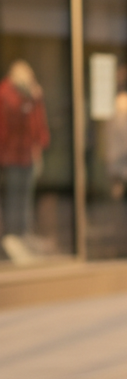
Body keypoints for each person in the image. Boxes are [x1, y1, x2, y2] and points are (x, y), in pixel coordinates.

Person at [0, 59, 50, 259]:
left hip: (27, 155)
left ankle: (23, 234)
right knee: (13, 198)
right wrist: (30, 99)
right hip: (10, 157)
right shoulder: (6, 94)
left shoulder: (31, 95)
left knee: (25, 198)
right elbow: (11, 120)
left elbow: (37, 124)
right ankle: (11, 238)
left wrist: (39, 145)